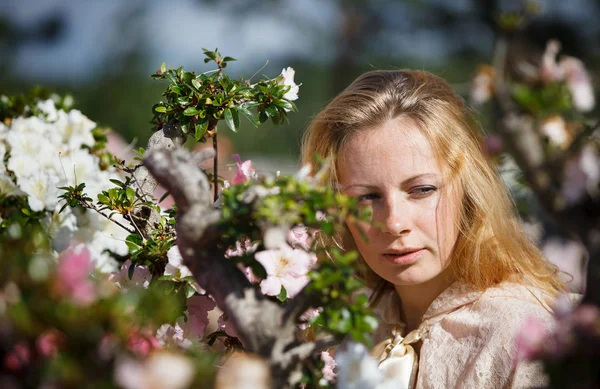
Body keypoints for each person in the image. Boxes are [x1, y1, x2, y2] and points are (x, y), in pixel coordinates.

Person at [302, 70, 566, 388]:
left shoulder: (522, 335)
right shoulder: (340, 329)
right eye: (367, 196)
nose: (394, 223)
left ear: (467, 187)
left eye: (422, 189)